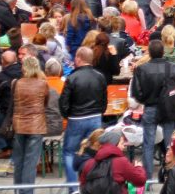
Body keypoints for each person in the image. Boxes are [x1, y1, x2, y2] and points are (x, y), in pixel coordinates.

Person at [129, 39, 175, 177]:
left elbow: (136, 93)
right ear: (163, 52)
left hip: (151, 107)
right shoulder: (173, 67)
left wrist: (145, 100)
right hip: (169, 108)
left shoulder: (141, 69)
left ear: (150, 53)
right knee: (171, 143)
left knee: (148, 143)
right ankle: (172, 174)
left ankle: (147, 178)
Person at [60, 47, 107, 182]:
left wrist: (68, 114)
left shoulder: (72, 77)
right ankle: (91, 183)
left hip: (76, 117)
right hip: (95, 117)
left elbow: (63, 101)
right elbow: (104, 99)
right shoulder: (100, 77)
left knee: (69, 152)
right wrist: (99, 112)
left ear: (78, 58)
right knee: (93, 150)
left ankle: (73, 187)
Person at [10, 56, 50, 188]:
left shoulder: (16, 83)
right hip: (36, 126)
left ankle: (18, 189)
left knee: (19, 162)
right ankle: (27, 192)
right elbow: (46, 103)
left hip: (19, 125)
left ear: (24, 68)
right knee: (30, 163)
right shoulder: (43, 84)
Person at [77, 126, 148, 192]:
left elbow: (83, 185)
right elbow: (140, 181)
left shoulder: (88, 164)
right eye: (122, 143)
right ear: (115, 144)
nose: (124, 147)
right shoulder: (121, 162)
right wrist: (138, 167)